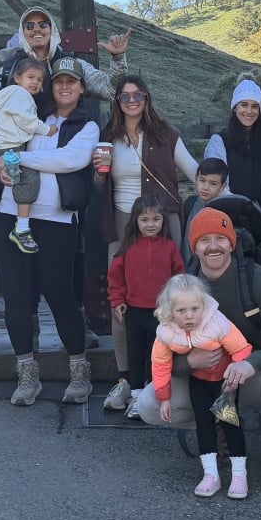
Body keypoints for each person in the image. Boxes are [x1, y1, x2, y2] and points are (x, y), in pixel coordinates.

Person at [136, 208, 261, 506]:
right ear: (194, 246)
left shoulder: (257, 279)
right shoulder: (185, 288)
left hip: (258, 376)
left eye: (220, 239)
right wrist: (189, 362)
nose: (213, 246)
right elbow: (161, 351)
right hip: (208, 379)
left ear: (231, 243)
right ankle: (215, 428)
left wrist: (251, 363)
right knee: (148, 404)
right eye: (204, 240)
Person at [0, 54, 101, 406]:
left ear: (80, 89)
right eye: (58, 82)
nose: (64, 87)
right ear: (51, 86)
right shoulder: (29, 114)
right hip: (8, 214)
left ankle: (79, 371)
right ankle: (26, 374)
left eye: (71, 83)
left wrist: (18, 160)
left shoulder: (86, 126)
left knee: (60, 295)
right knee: (16, 297)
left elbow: (70, 160)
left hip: (57, 221)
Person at [96, 73, 197, 382]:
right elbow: (97, 183)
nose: (131, 101)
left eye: (137, 95)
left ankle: (168, 373)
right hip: (123, 222)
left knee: (169, 296)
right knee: (121, 298)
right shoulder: (107, 135)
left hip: (162, 221)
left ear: (147, 98)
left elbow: (194, 171)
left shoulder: (166, 134)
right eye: (124, 96)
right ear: (116, 101)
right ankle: (126, 377)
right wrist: (97, 172)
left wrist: (227, 198)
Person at [152, 273, 255, 498]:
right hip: (198, 380)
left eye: (195, 309)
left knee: (230, 424)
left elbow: (242, 348)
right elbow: (160, 363)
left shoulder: (216, 322)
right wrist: (164, 398)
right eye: (181, 311)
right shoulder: (167, 331)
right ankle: (211, 474)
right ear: (170, 310)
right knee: (203, 424)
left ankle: (239, 475)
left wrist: (235, 372)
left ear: (203, 304)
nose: (189, 316)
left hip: (225, 382)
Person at [104, 195, 185, 417]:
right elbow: (115, 278)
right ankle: (137, 398)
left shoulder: (169, 247)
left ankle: (154, 396)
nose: (151, 224)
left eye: (156, 219)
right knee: (136, 355)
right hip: (134, 311)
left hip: (162, 313)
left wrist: (178, 304)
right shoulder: (127, 247)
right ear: (135, 222)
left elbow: (179, 277)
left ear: (163, 221)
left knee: (157, 355)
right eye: (145, 220)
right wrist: (117, 301)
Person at [0, 5, 130, 119]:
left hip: (63, 143)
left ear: (52, 30)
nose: (36, 29)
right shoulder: (9, 70)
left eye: (43, 24)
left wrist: (117, 58)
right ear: (22, 33)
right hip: (19, 150)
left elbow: (110, 91)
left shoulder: (73, 65)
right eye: (29, 26)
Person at [0, 55, 53, 254]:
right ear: (17, 78)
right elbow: (26, 120)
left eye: (39, 80)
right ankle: (22, 228)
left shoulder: (9, 92)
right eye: (30, 77)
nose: (35, 82)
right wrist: (46, 130)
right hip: (9, 146)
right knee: (27, 177)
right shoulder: (22, 96)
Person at [179, 158, 261, 271]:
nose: (205, 187)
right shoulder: (190, 204)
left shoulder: (232, 209)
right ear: (196, 179)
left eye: (213, 183)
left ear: (222, 186)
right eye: (202, 180)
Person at [202, 76, 261, 204]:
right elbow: (216, 182)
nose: (249, 111)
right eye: (244, 105)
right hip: (229, 212)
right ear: (235, 107)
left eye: (255, 106)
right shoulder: (220, 141)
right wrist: (242, 208)